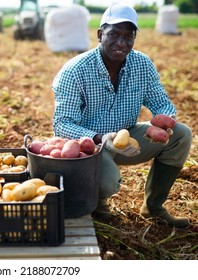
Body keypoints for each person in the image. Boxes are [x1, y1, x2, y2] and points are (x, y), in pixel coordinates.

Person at [52, 4, 192, 228]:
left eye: (129, 36)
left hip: (128, 140)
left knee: (181, 135)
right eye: (114, 34)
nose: (122, 42)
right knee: (108, 184)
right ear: (100, 35)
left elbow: (162, 103)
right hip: (88, 147)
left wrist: (164, 124)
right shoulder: (75, 70)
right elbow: (62, 124)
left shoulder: (141, 64)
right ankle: (97, 202)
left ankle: (153, 208)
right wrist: (102, 139)